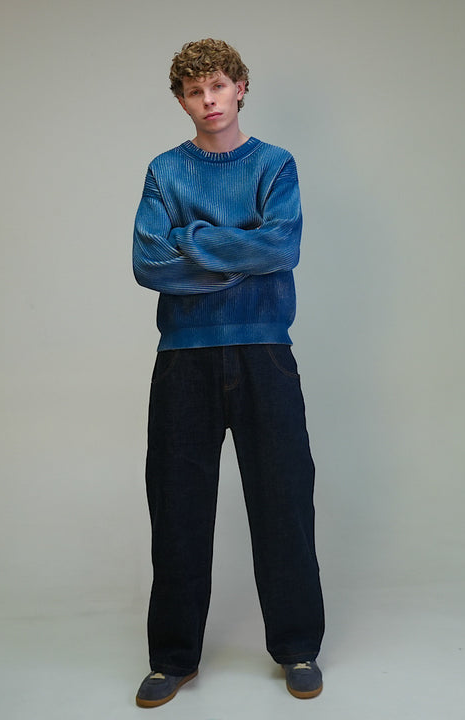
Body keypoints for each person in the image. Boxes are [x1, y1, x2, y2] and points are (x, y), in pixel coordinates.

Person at [132, 38, 325, 708]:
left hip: (264, 351)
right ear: (182, 100)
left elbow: (282, 246)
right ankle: (172, 657)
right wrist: (239, 250)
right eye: (195, 91)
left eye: (218, 86)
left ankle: (297, 647)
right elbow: (148, 264)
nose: (208, 101)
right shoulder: (165, 172)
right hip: (183, 357)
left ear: (240, 87)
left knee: (283, 501)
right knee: (177, 507)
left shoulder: (275, 165)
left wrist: (194, 239)